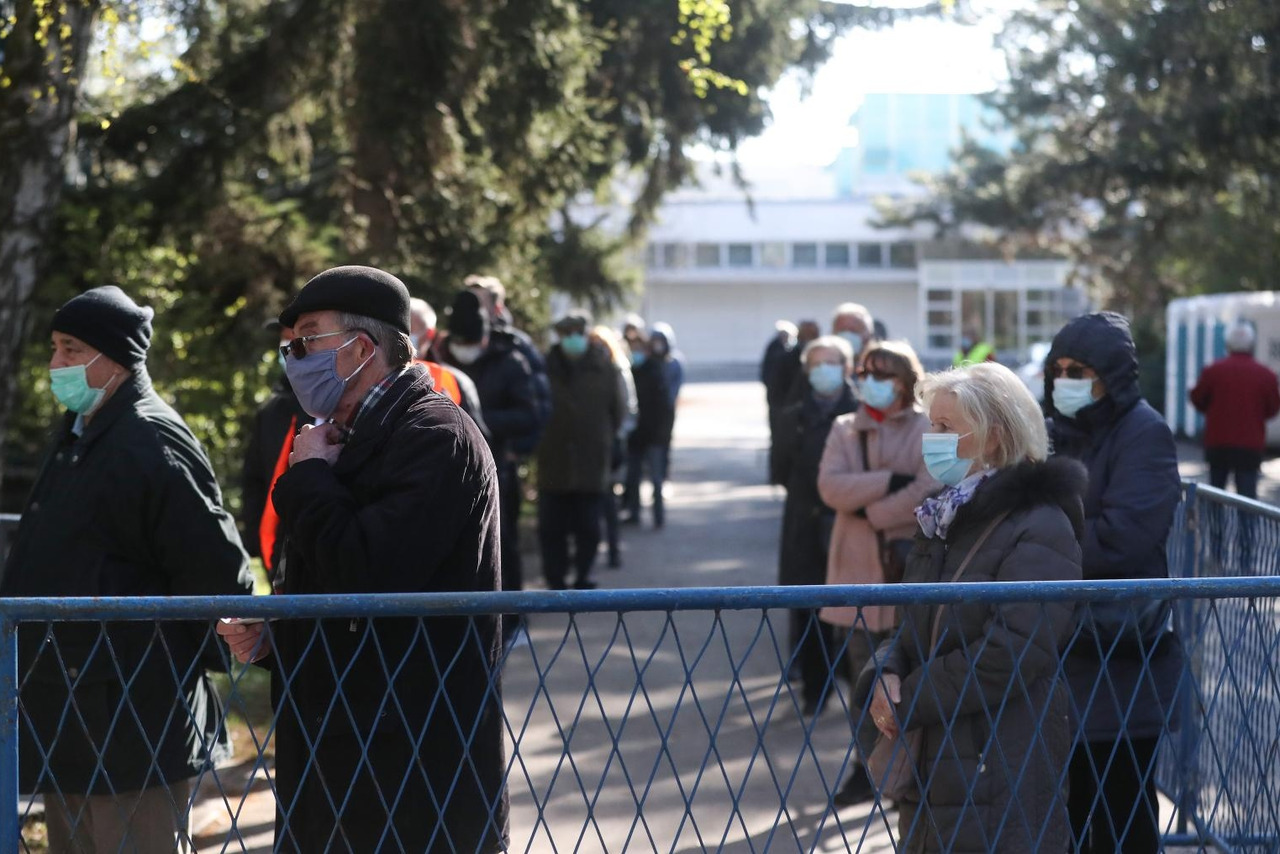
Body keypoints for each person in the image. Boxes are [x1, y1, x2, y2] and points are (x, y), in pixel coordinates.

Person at [217, 266, 509, 852]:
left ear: (362, 348)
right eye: (288, 345)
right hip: (339, 755)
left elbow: (369, 575)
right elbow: (333, 583)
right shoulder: (336, 433)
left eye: (307, 340)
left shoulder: (434, 436)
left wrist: (309, 482)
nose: (292, 357)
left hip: (411, 764)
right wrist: (279, 634)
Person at [2, 286, 252, 853]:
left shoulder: (150, 438)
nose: (55, 365)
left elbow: (214, 567)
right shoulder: (80, 432)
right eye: (55, 348)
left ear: (113, 357)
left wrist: (184, 661)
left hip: (132, 720)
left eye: (70, 350)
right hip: (71, 714)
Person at [856, 361, 1085, 851]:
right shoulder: (943, 514)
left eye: (946, 427)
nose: (931, 438)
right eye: (930, 425)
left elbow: (1013, 649)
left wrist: (909, 698)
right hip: (938, 757)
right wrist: (886, 672)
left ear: (995, 438)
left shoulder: (1040, 524)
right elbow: (912, 625)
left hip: (999, 754)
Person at [1045, 311, 1182, 854]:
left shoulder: (1144, 431)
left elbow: (1124, 539)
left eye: (1080, 370)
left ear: (1113, 376)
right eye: (1059, 368)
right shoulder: (1059, 431)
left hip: (1120, 654)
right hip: (1066, 654)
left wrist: (1039, 551)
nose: (1065, 380)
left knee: (1124, 815)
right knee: (1066, 811)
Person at [816, 340, 939, 806]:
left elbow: (930, 486)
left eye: (883, 373)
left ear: (906, 382)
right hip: (856, 574)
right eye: (865, 371)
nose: (870, 380)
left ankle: (910, 769)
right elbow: (831, 487)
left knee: (911, 677)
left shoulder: (929, 427)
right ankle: (866, 768)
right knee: (863, 678)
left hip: (908, 573)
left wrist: (870, 511)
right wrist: (890, 483)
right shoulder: (845, 428)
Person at [773, 335, 858, 717]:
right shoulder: (792, 416)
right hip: (804, 527)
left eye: (833, 362)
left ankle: (857, 688)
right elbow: (780, 471)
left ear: (847, 367)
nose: (825, 371)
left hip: (851, 523)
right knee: (808, 609)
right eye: (817, 363)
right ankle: (814, 690)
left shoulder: (862, 414)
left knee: (855, 613)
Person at [441, 289, 540, 606]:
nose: (465, 350)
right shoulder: (437, 359)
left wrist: (476, 420)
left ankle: (511, 615)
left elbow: (528, 415)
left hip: (498, 468)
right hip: (445, 469)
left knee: (502, 545)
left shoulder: (510, 361)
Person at [536, 311, 627, 589]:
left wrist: (607, 440)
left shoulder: (605, 368)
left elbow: (618, 411)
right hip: (554, 459)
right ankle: (555, 578)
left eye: (577, 333)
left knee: (589, 526)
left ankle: (584, 574)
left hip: (591, 459)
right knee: (553, 528)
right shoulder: (544, 366)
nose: (572, 339)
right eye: (567, 334)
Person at [242, 321, 311, 579]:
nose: (287, 348)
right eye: (284, 341)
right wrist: (253, 538)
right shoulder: (271, 411)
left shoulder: (332, 407)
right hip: (273, 550)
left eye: (296, 340)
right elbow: (254, 478)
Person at [1189, 320, 1280, 498]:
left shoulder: (1213, 371)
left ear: (1228, 344)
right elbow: (1273, 407)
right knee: (1247, 499)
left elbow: (1197, 398)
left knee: (1215, 496)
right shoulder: (1265, 374)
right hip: (1250, 444)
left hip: (1218, 442)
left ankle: (1215, 527)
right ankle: (1246, 527)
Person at [624, 324, 682, 528]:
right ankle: (634, 513)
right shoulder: (631, 372)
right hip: (635, 436)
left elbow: (666, 407)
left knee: (656, 479)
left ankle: (658, 517)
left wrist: (662, 436)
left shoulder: (657, 371)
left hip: (654, 436)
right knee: (632, 477)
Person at [590, 324, 638, 568]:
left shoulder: (617, 369)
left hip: (611, 446)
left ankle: (613, 549)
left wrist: (616, 436)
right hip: (591, 446)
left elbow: (628, 410)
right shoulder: (587, 372)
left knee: (609, 499)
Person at [408, 296, 489, 435]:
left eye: (412, 329)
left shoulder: (454, 380)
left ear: (429, 334)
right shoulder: (375, 371)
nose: (407, 336)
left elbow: (474, 438)